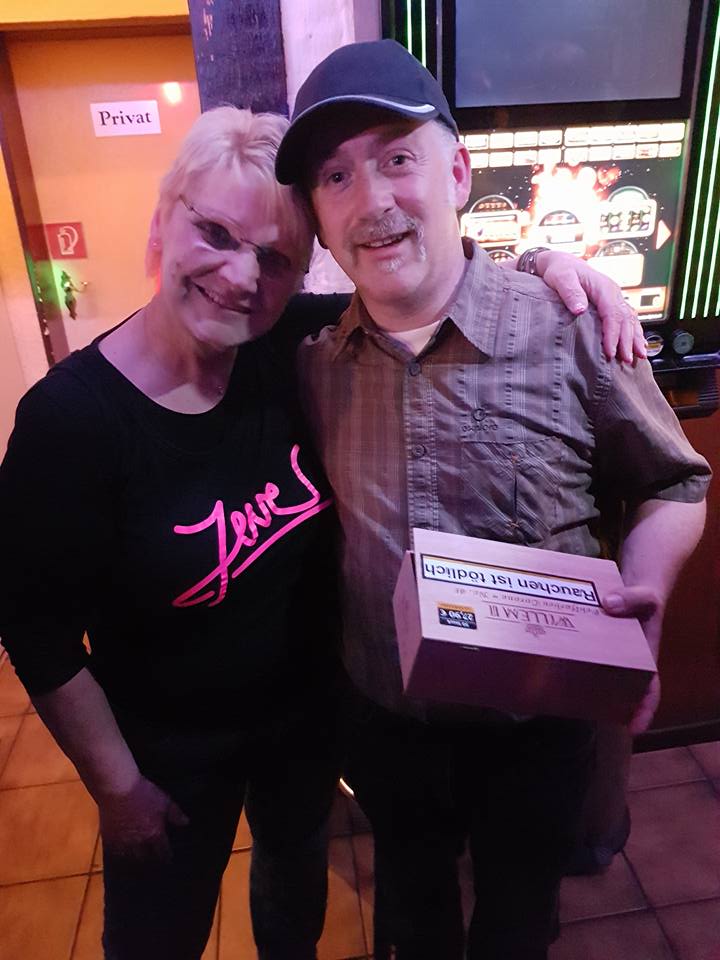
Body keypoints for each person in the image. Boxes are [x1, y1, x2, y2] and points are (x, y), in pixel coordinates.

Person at [0, 104, 644, 958]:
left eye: (275, 259)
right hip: (167, 752)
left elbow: (433, 279)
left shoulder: (290, 345)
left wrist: (550, 265)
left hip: (303, 724)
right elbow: (36, 633)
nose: (240, 276)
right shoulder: (70, 421)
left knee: (292, 889)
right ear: (163, 219)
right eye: (215, 233)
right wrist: (116, 787)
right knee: (158, 934)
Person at [274, 39, 712, 960]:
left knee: (518, 926)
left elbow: (676, 481)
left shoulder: (572, 324)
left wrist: (648, 586)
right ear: (316, 216)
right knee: (415, 923)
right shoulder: (312, 365)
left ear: (459, 173)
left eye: (398, 158)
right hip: (386, 723)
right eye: (336, 176)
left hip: (535, 732)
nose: (372, 199)